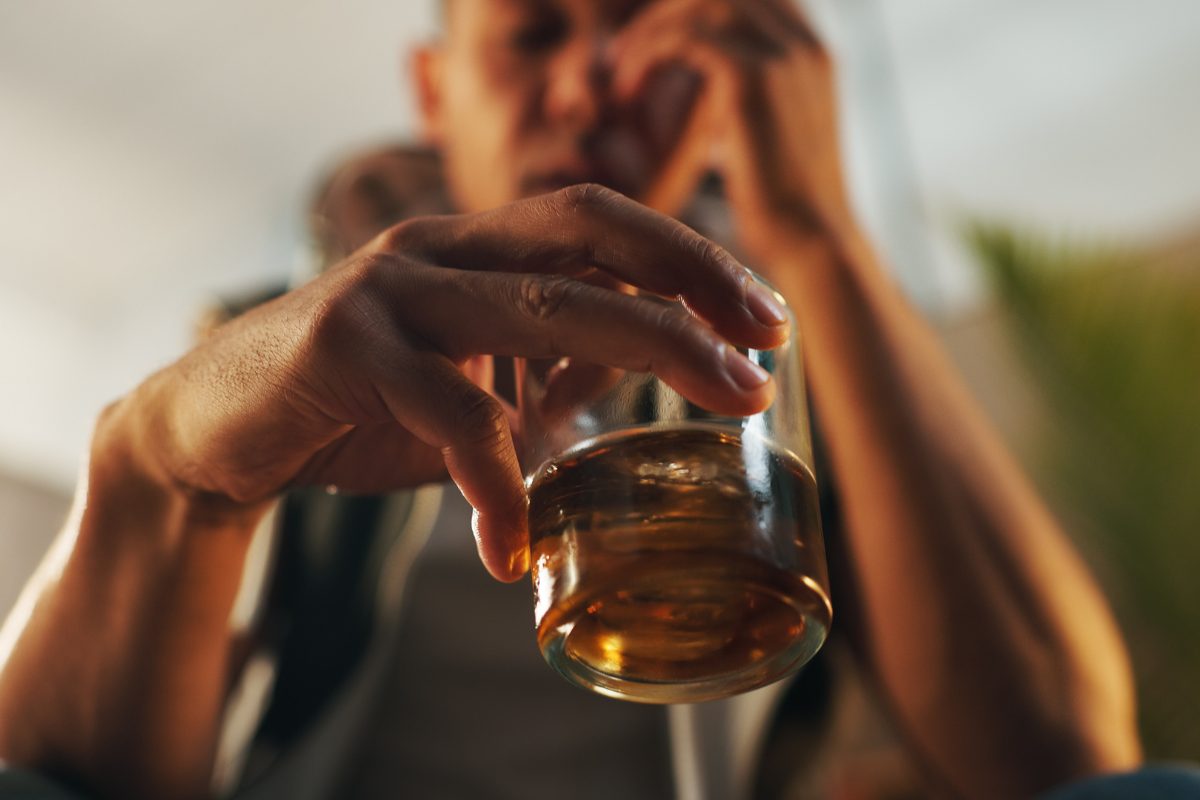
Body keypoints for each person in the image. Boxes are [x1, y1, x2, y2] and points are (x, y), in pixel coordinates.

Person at [0, 0, 1173, 797]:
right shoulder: (292, 351)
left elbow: (1074, 760)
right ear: (433, 87)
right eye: (536, 31)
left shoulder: (798, 375)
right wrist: (163, 464)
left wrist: (821, 236)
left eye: (643, 28)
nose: (589, 82)